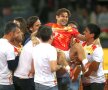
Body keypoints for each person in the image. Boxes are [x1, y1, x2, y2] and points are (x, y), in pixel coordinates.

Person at [46, 8, 86, 90]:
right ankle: (70, 71)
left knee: (78, 45)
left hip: (67, 53)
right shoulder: (49, 26)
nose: (65, 18)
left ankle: (86, 65)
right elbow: (38, 32)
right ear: (57, 17)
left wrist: (95, 36)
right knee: (60, 53)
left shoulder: (71, 29)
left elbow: (83, 38)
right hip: (56, 54)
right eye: (62, 16)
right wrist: (33, 38)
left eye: (66, 17)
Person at [32, 25, 61, 90]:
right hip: (49, 84)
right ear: (51, 37)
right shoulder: (51, 49)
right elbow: (53, 68)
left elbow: (33, 69)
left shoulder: (35, 48)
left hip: (38, 83)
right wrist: (61, 65)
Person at [81, 24, 106, 90]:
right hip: (86, 82)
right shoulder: (82, 45)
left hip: (96, 83)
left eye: (86, 31)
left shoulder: (97, 48)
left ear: (92, 35)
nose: (83, 32)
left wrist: (87, 73)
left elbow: (95, 66)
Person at [0, 22, 21, 90]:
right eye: (17, 33)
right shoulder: (9, 47)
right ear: (11, 34)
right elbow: (11, 66)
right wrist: (18, 55)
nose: (19, 35)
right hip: (6, 83)